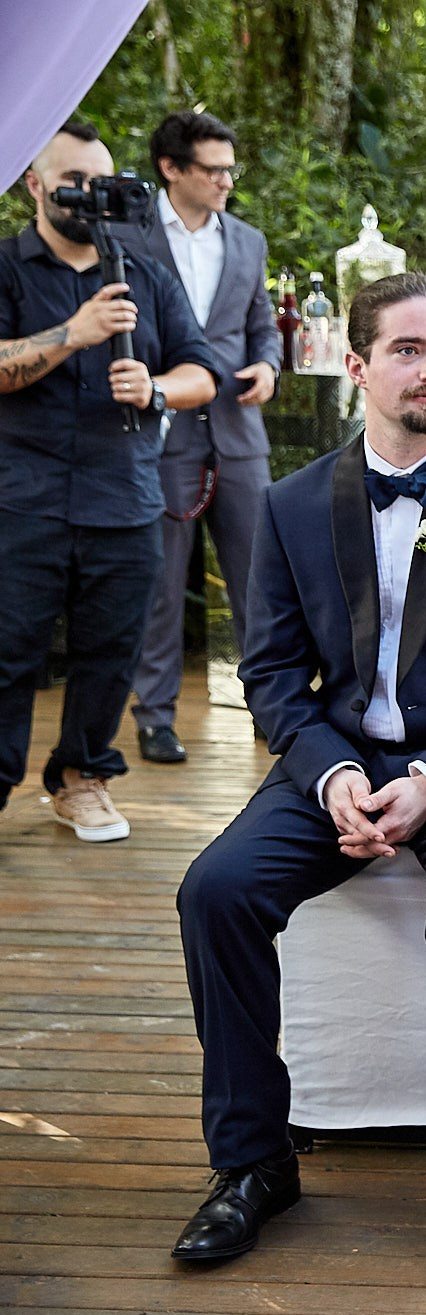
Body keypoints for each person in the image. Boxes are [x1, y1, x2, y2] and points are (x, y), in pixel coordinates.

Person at [172, 272, 426, 1275]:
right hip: (337, 759)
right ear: (356, 367)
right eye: (407, 349)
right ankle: (254, 1163)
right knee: (214, 891)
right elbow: (268, 674)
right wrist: (333, 777)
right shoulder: (294, 503)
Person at [0, 119, 218, 842]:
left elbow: (202, 373)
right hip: (21, 498)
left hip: (124, 497)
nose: (88, 197)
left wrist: (155, 388)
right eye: (72, 183)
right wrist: (75, 333)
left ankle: (81, 777)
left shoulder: (145, 275)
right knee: (8, 650)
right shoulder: (6, 267)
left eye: (101, 183)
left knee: (111, 649)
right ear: (34, 185)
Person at [125, 111, 281, 765]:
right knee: (158, 584)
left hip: (239, 434)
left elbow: (261, 323)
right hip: (158, 431)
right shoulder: (124, 235)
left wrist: (269, 365)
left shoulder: (248, 240)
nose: (226, 181)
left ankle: (272, 710)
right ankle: (153, 717)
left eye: (229, 168)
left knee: (263, 581)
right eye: (213, 169)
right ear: (172, 169)